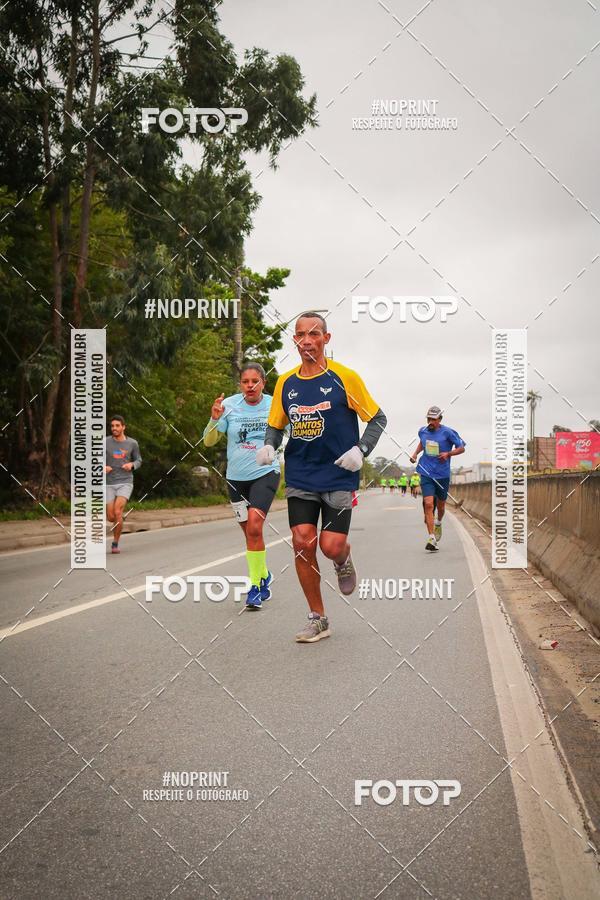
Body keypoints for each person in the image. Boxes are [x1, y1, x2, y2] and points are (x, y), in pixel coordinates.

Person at [256, 312, 386, 643]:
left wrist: (361, 450)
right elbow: (275, 424)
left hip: (340, 473)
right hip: (300, 473)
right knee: (302, 542)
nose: (307, 340)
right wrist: (270, 446)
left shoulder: (345, 378)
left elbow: (377, 418)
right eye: (300, 335)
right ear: (295, 341)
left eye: (314, 334)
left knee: (330, 545)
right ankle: (318, 618)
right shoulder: (286, 382)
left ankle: (343, 557)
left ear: (326, 339)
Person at [203, 363, 281, 610]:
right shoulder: (229, 406)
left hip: (265, 473)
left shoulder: (274, 405)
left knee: (255, 528)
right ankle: (264, 574)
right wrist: (214, 419)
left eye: (255, 381)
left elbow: (293, 433)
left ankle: (255, 587)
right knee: (249, 533)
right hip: (235, 478)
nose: (250, 386)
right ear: (240, 384)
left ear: (263, 383)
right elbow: (208, 441)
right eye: (245, 381)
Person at [409, 406, 465, 551]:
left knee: (440, 506)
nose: (430, 422)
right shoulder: (423, 430)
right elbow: (422, 442)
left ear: (440, 419)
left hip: (442, 475)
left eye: (433, 419)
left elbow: (461, 448)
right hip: (426, 472)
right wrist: (415, 454)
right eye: (429, 419)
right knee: (428, 504)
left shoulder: (448, 432)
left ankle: (439, 522)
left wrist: (448, 454)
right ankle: (432, 538)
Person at [105, 415, 142, 554]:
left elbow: (139, 460)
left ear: (123, 427)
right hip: (108, 483)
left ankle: (115, 543)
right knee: (110, 517)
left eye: (117, 426)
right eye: (112, 426)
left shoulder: (132, 443)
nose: (114, 428)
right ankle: (118, 520)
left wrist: (132, 465)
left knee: (117, 511)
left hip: (125, 482)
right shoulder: (105, 442)